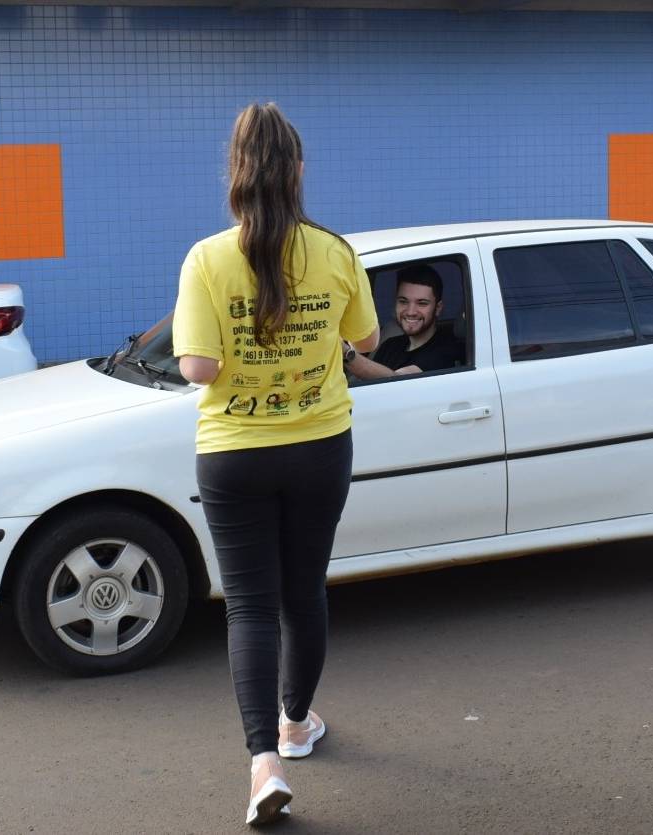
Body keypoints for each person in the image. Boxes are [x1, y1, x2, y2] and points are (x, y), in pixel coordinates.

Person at [173, 102, 380, 827]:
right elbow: (368, 333)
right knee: (304, 593)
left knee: (251, 606)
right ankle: (297, 723)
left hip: (234, 453)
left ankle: (263, 761)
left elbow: (199, 365)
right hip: (322, 445)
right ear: (296, 171)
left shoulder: (206, 258)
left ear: (234, 174)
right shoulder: (335, 250)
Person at [344, 263, 466, 379]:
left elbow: (398, 380)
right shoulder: (390, 345)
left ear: (438, 308)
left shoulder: (446, 349)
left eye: (422, 303)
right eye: (403, 301)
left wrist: (343, 351)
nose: (411, 312)